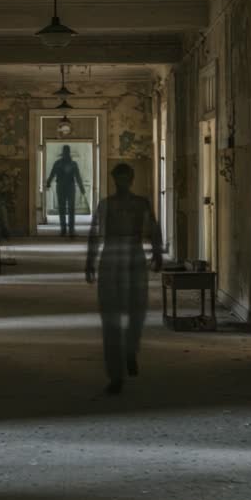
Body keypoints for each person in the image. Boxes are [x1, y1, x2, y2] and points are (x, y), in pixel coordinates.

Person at [85, 163, 163, 395]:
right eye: (118, 178)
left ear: (131, 179)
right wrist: (90, 261)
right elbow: (95, 234)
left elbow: (154, 230)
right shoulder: (105, 205)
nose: (122, 182)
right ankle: (115, 374)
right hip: (111, 257)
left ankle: (130, 349)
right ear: (113, 180)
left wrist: (157, 253)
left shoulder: (141, 204)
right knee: (110, 316)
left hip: (133, 256)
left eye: (125, 178)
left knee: (137, 310)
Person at [44, 145, 85, 237]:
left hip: (63, 187)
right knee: (69, 209)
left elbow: (52, 174)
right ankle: (69, 230)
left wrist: (48, 182)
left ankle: (65, 230)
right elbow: (77, 177)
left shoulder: (58, 163)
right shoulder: (72, 164)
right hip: (68, 187)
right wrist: (81, 188)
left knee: (64, 209)